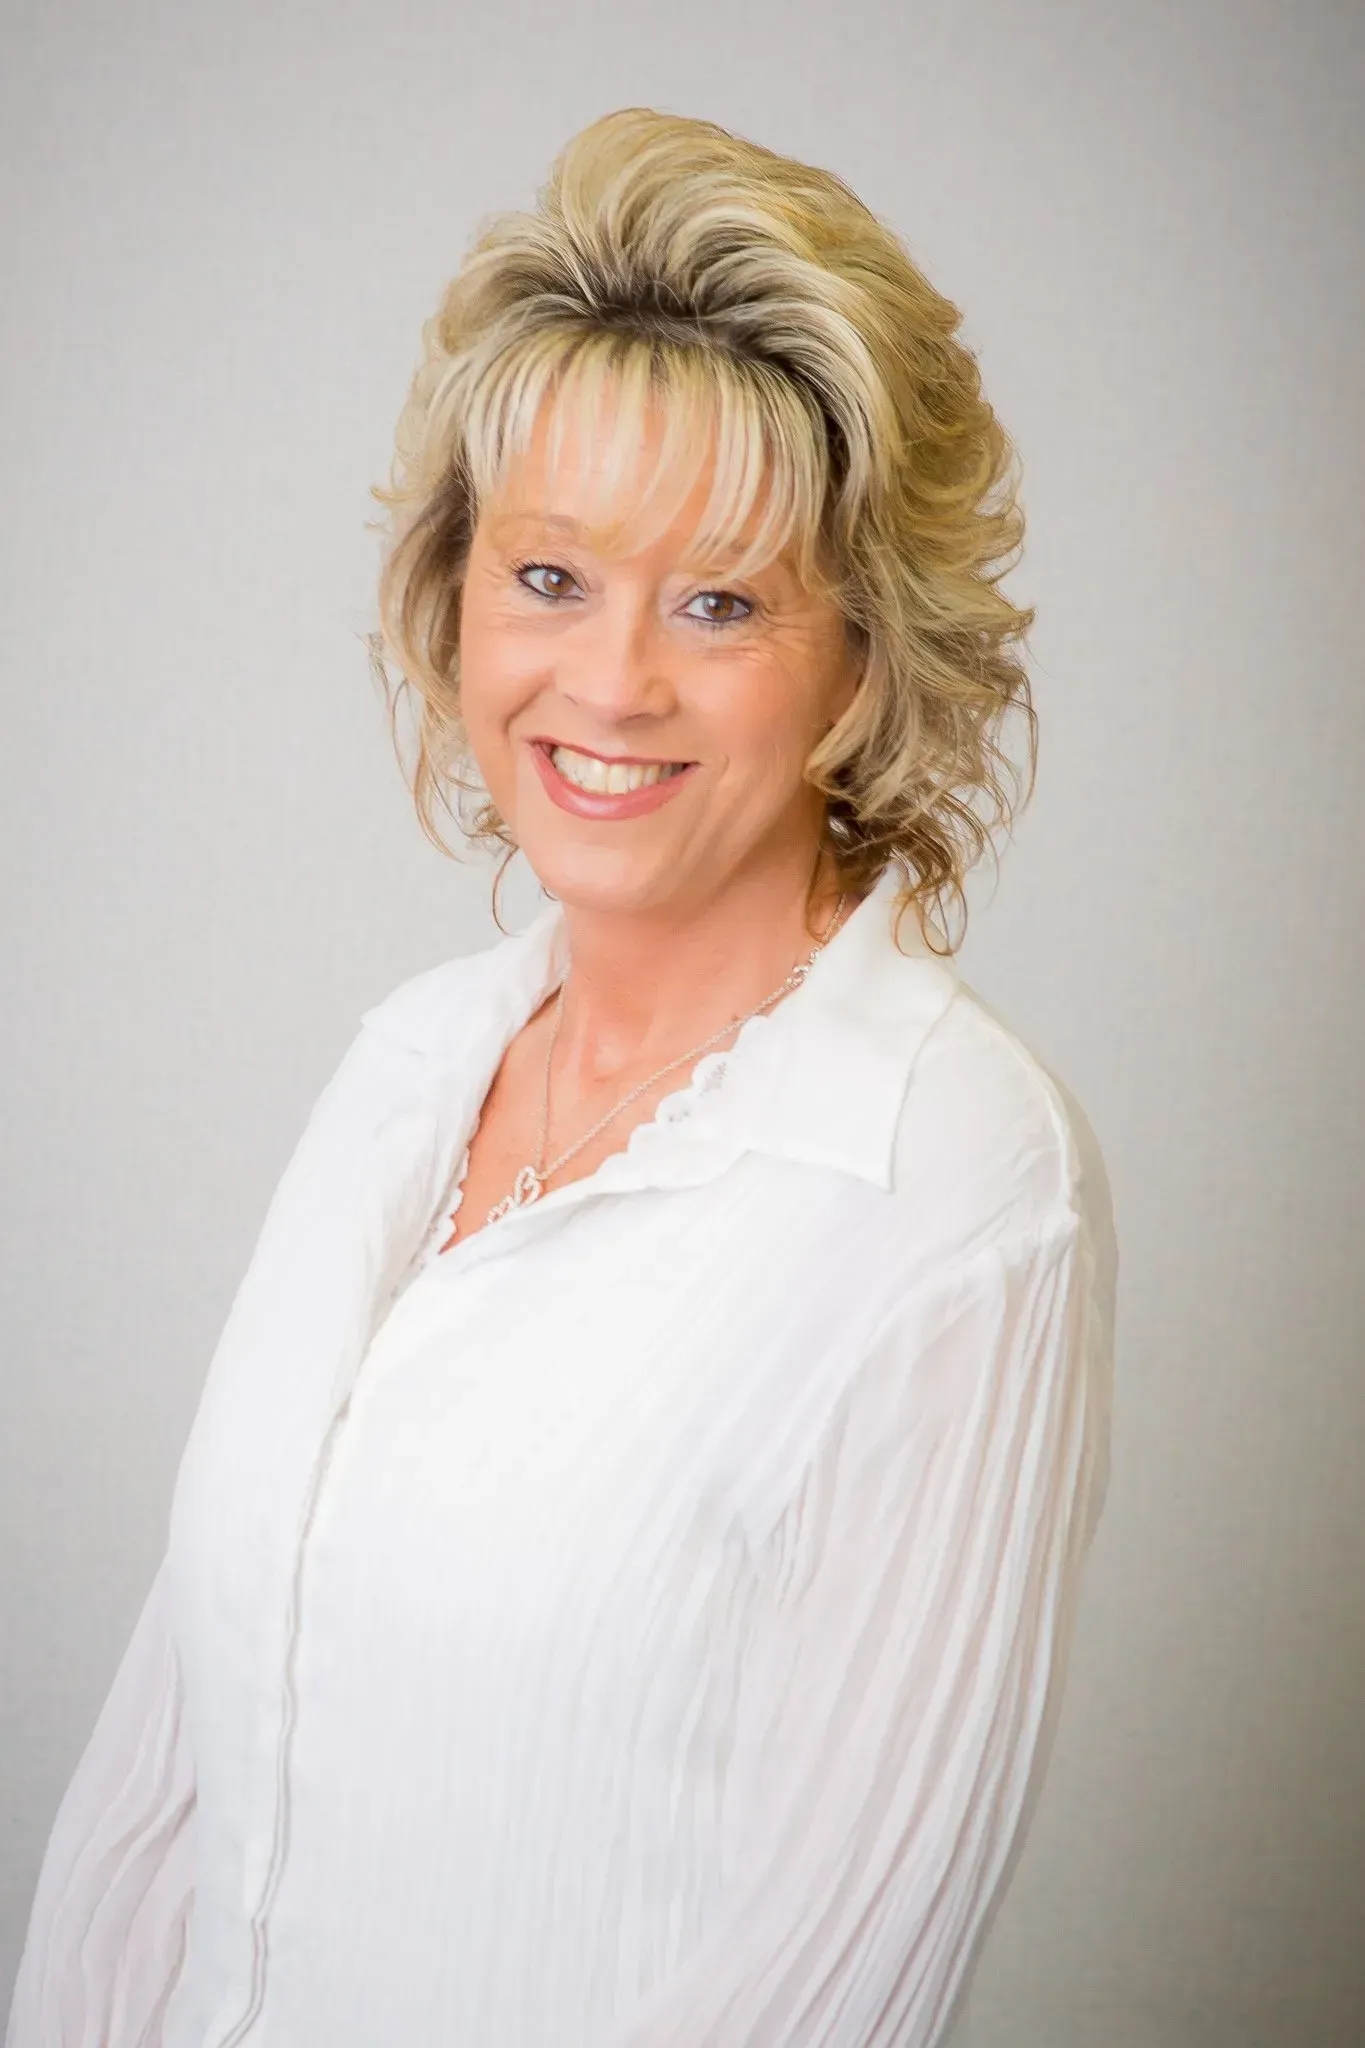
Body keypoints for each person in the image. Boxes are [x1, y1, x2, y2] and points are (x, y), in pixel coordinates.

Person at [6, 106, 1116, 2048]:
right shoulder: (405, 1062)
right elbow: (163, 1779)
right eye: (548, 576)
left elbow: (824, 1989)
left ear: (859, 659)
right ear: (451, 593)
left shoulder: (953, 1177)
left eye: (718, 599)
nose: (609, 684)